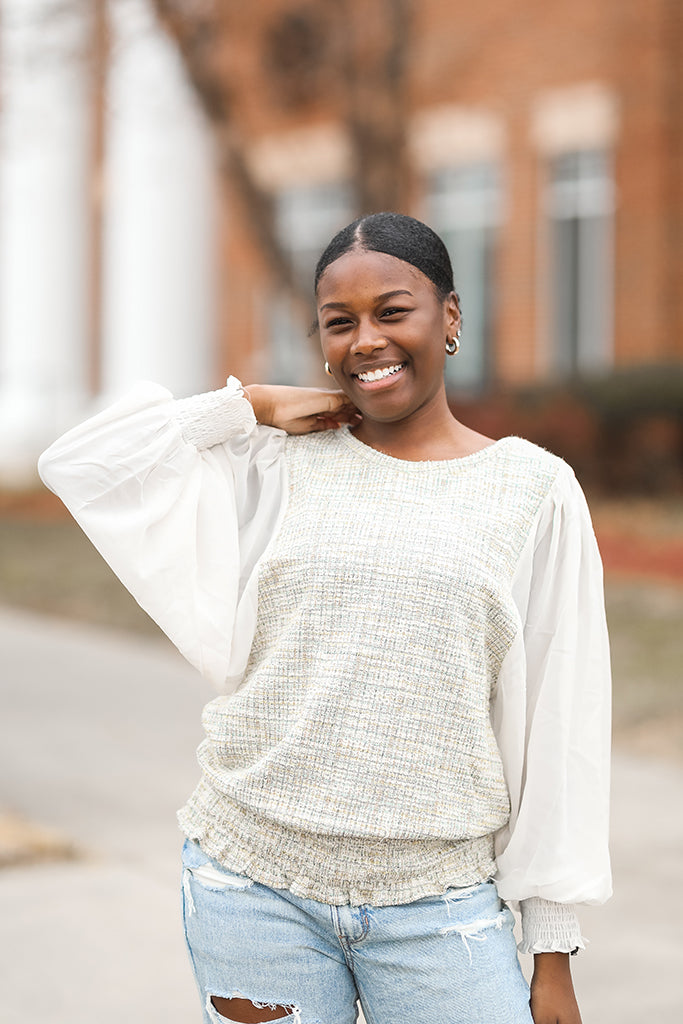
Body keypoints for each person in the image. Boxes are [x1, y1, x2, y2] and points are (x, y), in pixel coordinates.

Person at [39, 212, 611, 1024]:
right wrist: (247, 407)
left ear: (449, 316)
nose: (365, 341)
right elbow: (80, 465)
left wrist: (551, 947)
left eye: (392, 310)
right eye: (338, 323)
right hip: (252, 887)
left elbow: (562, 724)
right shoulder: (277, 459)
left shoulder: (533, 491)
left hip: (436, 909)